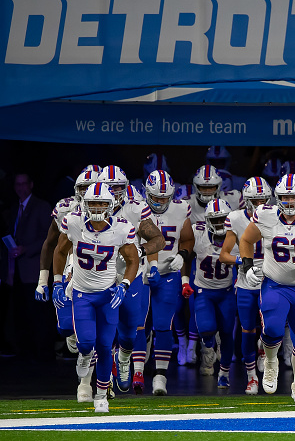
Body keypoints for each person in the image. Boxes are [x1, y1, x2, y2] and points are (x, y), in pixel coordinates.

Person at [53, 182, 139, 413]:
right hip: (81, 293)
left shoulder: (121, 228)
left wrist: (125, 285)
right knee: (86, 343)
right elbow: (60, 251)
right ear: (84, 204)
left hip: (107, 294)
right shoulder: (73, 222)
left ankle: (101, 395)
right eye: (93, 203)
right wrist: (57, 281)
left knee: (104, 345)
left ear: (111, 205)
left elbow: (133, 260)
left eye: (102, 202)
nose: (98, 207)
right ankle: (83, 353)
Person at [239, 174, 295, 404]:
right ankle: (271, 361)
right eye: (284, 196)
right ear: (277, 198)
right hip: (274, 284)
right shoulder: (266, 215)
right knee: (272, 328)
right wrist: (248, 265)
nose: (290, 201)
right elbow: (245, 240)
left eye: (294, 196)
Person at [97, 165, 165, 394]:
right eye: (110, 186)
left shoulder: (135, 208)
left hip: (129, 274)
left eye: (119, 187)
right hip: (99, 275)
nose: (115, 191)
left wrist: (142, 251)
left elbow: (158, 239)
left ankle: (124, 358)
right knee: (101, 328)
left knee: (129, 331)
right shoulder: (89, 207)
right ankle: (101, 379)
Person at [37, 168, 99, 401]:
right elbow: (50, 244)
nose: (89, 194)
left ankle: (89, 384)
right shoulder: (67, 211)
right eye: (84, 189)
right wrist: (45, 281)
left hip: (97, 276)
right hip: (68, 272)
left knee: (92, 335)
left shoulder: (117, 214)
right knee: (65, 328)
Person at [133, 170, 194, 396]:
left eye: (163, 198)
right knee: (138, 323)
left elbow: (187, 239)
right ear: (146, 193)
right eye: (155, 197)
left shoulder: (180, 208)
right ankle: (138, 371)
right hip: (141, 272)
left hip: (168, 273)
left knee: (163, 324)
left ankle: (160, 376)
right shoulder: (136, 207)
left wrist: (182, 255)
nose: (159, 202)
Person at [220, 177, 272, 394]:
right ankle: (252, 377)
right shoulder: (236, 218)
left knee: (272, 328)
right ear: (246, 200)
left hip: (270, 280)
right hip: (246, 283)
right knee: (247, 330)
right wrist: (242, 261)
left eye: (262, 199)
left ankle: (267, 359)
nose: (259, 204)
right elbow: (224, 255)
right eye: (255, 200)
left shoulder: (276, 216)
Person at [3, 172, 53, 360]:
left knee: (38, 314)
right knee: (22, 313)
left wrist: (26, 249)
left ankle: (43, 353)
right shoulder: (16, 207)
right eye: (17, 184)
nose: (20, 188)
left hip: (35, 269)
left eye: (24, 184)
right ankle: (26, 351)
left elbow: (49, 238)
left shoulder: (41, 206)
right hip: (18, 270)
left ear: (31, 185)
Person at [191, 198, 237, 388]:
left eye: (222, 219)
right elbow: (185, 251)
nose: (219, 224)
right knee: (206, 329)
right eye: (215, 220)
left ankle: (224, 373)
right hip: (204, 292)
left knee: (227, 334)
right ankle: (208, 347)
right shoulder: (197, 233)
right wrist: (185, 280)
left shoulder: (236, 235)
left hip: (226, 292)